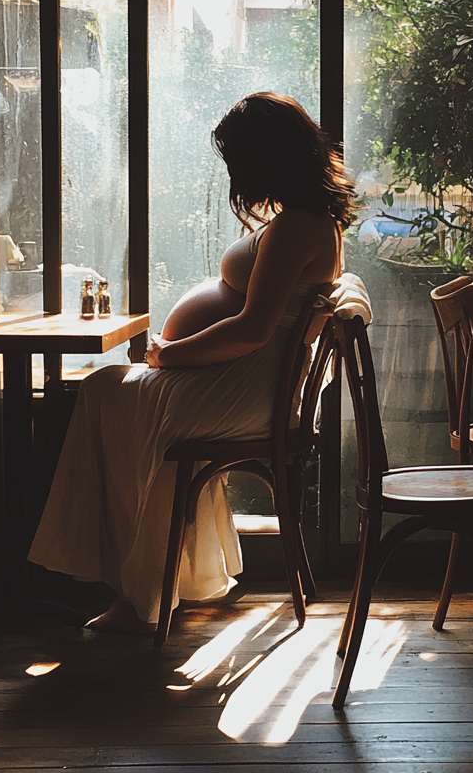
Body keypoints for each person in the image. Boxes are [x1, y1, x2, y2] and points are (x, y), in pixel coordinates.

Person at [29, 93, 355, 634]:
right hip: (244, 387)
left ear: (265, 158)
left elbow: (253, 330)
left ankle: (135, 594)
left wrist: (169, 354)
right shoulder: (304, 219)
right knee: (106, 389)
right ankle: (156, 579)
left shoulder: (299, 225)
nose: (235, 174)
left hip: (245, 396)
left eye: (239, 161)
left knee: (103, 392)